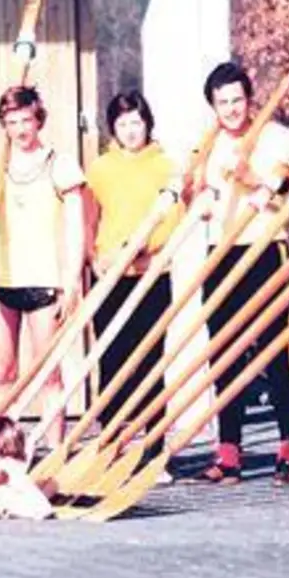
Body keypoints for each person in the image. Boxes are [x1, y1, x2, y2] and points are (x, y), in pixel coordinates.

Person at [197, 64, 289, 485]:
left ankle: (287, 448)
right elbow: (198, 189)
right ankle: (229, 452)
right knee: (224, 353)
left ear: (250, 98)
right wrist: (201, 197)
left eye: (237, 100)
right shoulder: (208, 143)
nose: (231, 109)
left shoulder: (276, 137)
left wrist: (257, 181)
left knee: (276, 350)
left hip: (265, 250)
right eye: (222, 102)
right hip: (221, 252)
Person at [0, 85, 86, 452]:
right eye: (12, 122)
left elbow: (76, 227)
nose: (21, 129)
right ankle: (1, 451)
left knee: (47, 373)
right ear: (3, 125)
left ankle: (55, 451)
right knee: (3, 372)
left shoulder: (61, 163)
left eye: (26, 120)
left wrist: (71, 280)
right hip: (0, 279)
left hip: (44, 282)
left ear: (38, 119)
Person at [82, 91, 181, 476]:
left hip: (151, 274)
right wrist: (95, 257)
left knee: (149, 362)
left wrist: (139, 251)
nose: (130, 130)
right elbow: (89, 220)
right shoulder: (100, 168)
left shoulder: (165, 166)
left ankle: (153, 450)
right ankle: (109, 446)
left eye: (136, 122)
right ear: (113, 128)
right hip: (109, 277)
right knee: (112, 361)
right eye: (123, 124)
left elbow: (171, 220)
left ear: (147, 123)